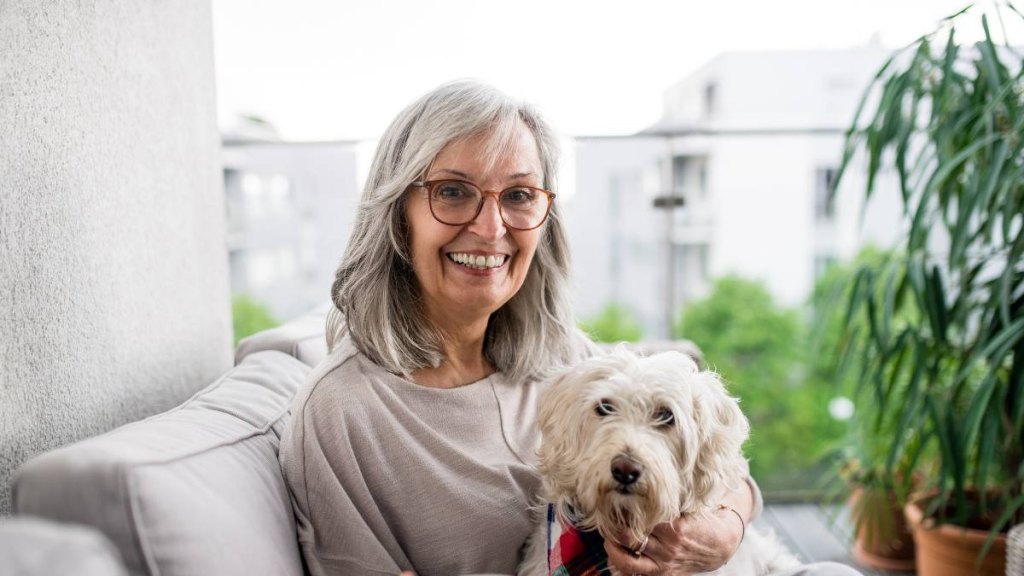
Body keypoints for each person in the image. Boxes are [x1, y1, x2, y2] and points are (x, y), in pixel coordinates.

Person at [279, 80, 860, 576]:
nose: (490, 227)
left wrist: (725, 527)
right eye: (453, 192)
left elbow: (715, 464)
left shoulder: (561, 355)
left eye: (519, 195)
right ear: (395, 213)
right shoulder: (341, 415)